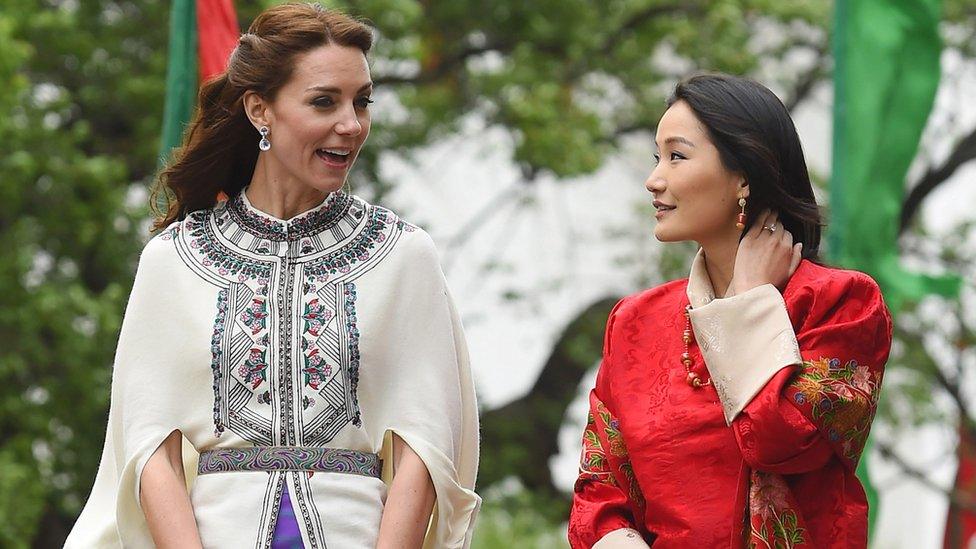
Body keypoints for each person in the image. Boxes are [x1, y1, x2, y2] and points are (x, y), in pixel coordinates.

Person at [64, 4, 480, 548]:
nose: (351, 124)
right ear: (260, 109)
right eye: (324, 101)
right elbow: (149, 452)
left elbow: (425, 450)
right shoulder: (174, 258)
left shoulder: (402, 254)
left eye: (362, 102)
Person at [568, 73, 893, 548]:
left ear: (744, 174)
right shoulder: (634, 322)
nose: (654, 179)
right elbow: (599, 491)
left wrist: (747, 303)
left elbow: (778, 442)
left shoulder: (842, 306)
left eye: (677, 156)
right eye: (657, 158)